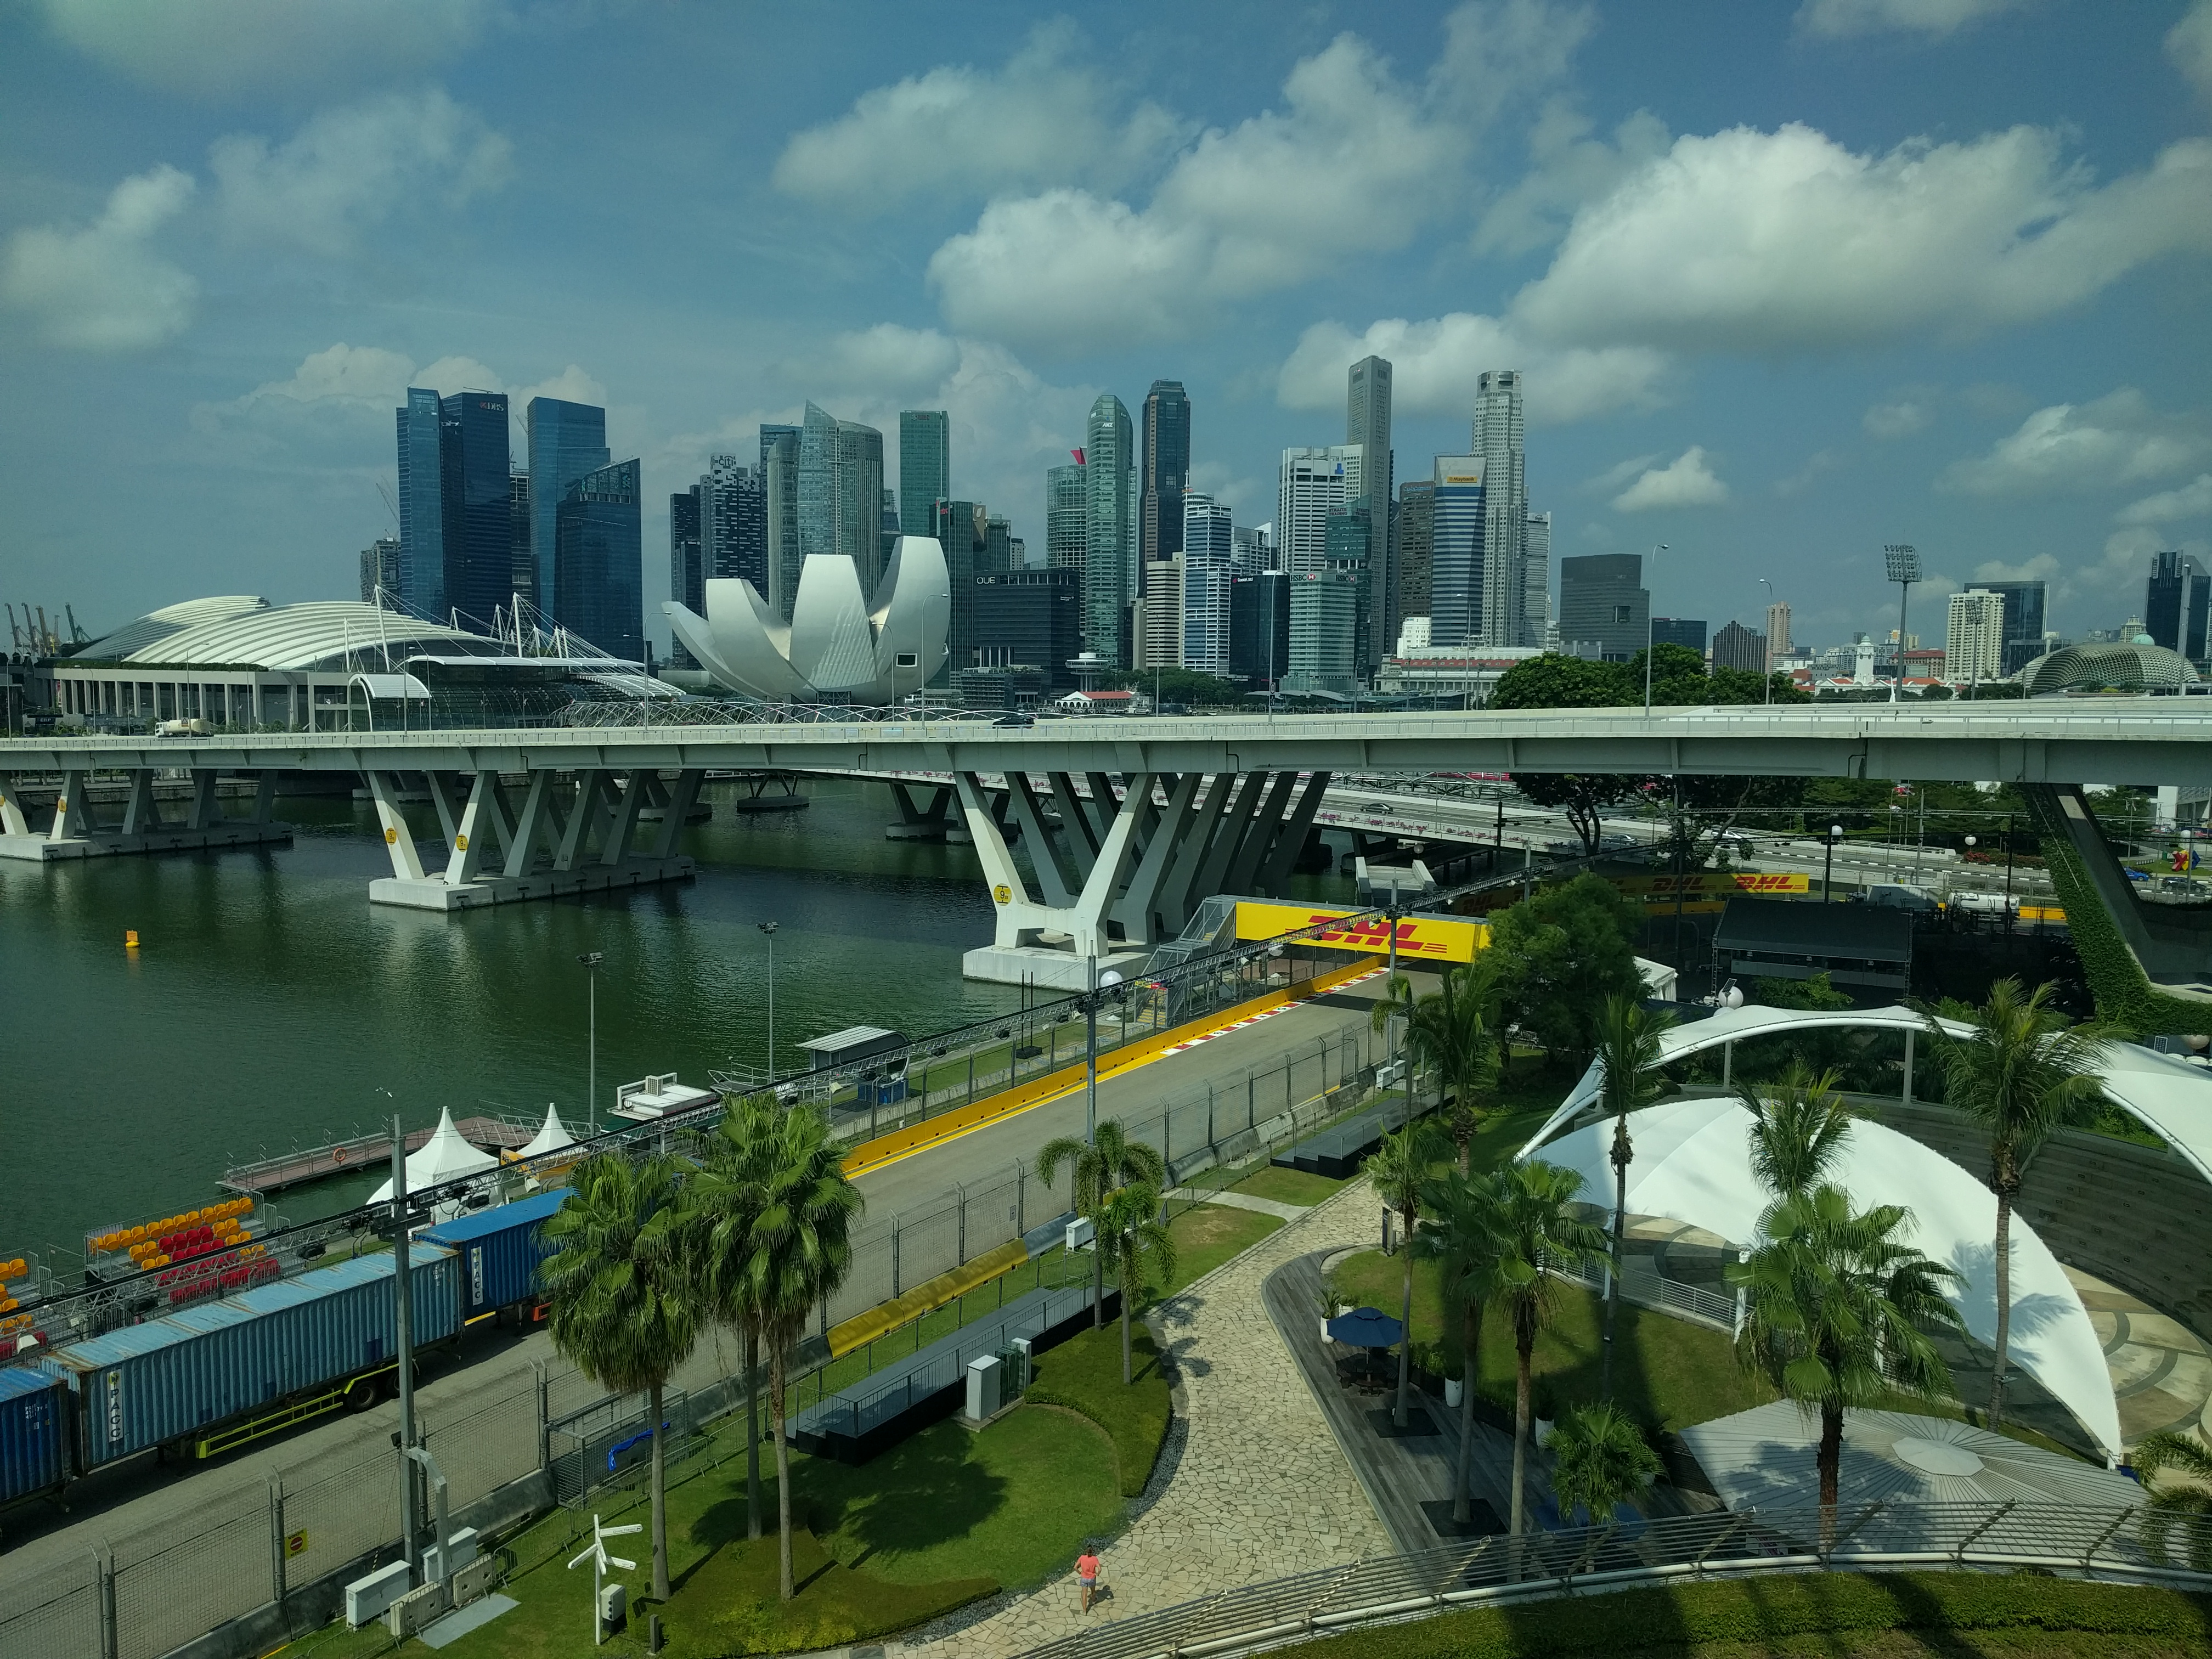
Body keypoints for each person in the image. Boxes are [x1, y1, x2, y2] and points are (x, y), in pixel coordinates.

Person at [1075, 1547, 1101, 1612]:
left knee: (1084, 1594)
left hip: (1084, 1578)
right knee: (1093, 1591)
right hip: (1092, 1578)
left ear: (1086, 1552)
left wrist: (1079, 1573)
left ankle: (1085, 1610)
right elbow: (1100, 1569)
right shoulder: (1094, 1559)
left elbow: (1075, 1567)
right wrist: (1097, 1574)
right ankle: (1094, 1600)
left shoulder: (1082, 1558)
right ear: (1092, 1552)